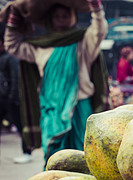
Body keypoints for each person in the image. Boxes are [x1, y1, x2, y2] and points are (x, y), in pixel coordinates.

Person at [4, 0, 108, 164]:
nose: (61, 19)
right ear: (49, 19)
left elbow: (99, 30)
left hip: (79, 106)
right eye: (57, 16)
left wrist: (96, 9)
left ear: (73, 17)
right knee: (53, 156)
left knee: (83, 153)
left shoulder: (83, 42)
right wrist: (13, 21)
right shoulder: (41, 47)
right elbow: (12, 46)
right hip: (51, 109)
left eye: (65, 16)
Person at [0, 34, 33, 163]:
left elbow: (15, 78)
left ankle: (27, 152)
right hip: (2, 99)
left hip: (11, 100)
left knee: (20, 126)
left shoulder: (10, 58)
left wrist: (12, 97)